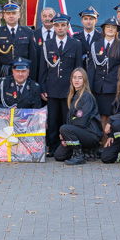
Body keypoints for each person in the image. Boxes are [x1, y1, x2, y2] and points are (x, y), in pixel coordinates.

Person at [38, 13, 82, 157]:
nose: (60, 28)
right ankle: (52, 146)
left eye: (63, 25)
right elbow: (43, 69)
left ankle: (68, 147)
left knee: (67, 119)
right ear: (53, 26)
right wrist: (42, 88)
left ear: (67, 26)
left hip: (68, 90)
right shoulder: (47, 44)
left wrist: (77, 89)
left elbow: (78, 68)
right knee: (52, 120)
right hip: (52, 88)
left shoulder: (75, 44)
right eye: (57, 25)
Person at [87, 17, 120, 129]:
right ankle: (100, 141)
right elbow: (91, 68)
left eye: (113, 27)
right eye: (108, 27)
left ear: (117, 30)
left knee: (111, 116)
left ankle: (108, 142)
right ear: (103, 29)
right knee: (99, 116)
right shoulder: (95, 45)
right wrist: (89, 88)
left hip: (114, 88)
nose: (110, 29)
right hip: (98, 88)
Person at [55, 68, 102, 165]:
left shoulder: (87, 96)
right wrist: (65, 137)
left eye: (80, 78)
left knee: (64, 128)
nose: (76, 80)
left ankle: (78, 156)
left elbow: (82, 121)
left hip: (91, 134)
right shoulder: (73, 96)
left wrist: (65, 131)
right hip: (79, 133)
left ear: (84, 80)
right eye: (74, 77)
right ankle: (86, 152)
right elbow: (71, 119)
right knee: (59, 155)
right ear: (71, 80)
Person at [0, 0, 38, 81]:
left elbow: (33, 58)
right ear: (3, 16)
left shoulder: (28, 32)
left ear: (19, 15)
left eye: (14, 13)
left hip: (23, 74)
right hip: (4, 75)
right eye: (8, 13)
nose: (11, 16)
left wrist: (32, 79)